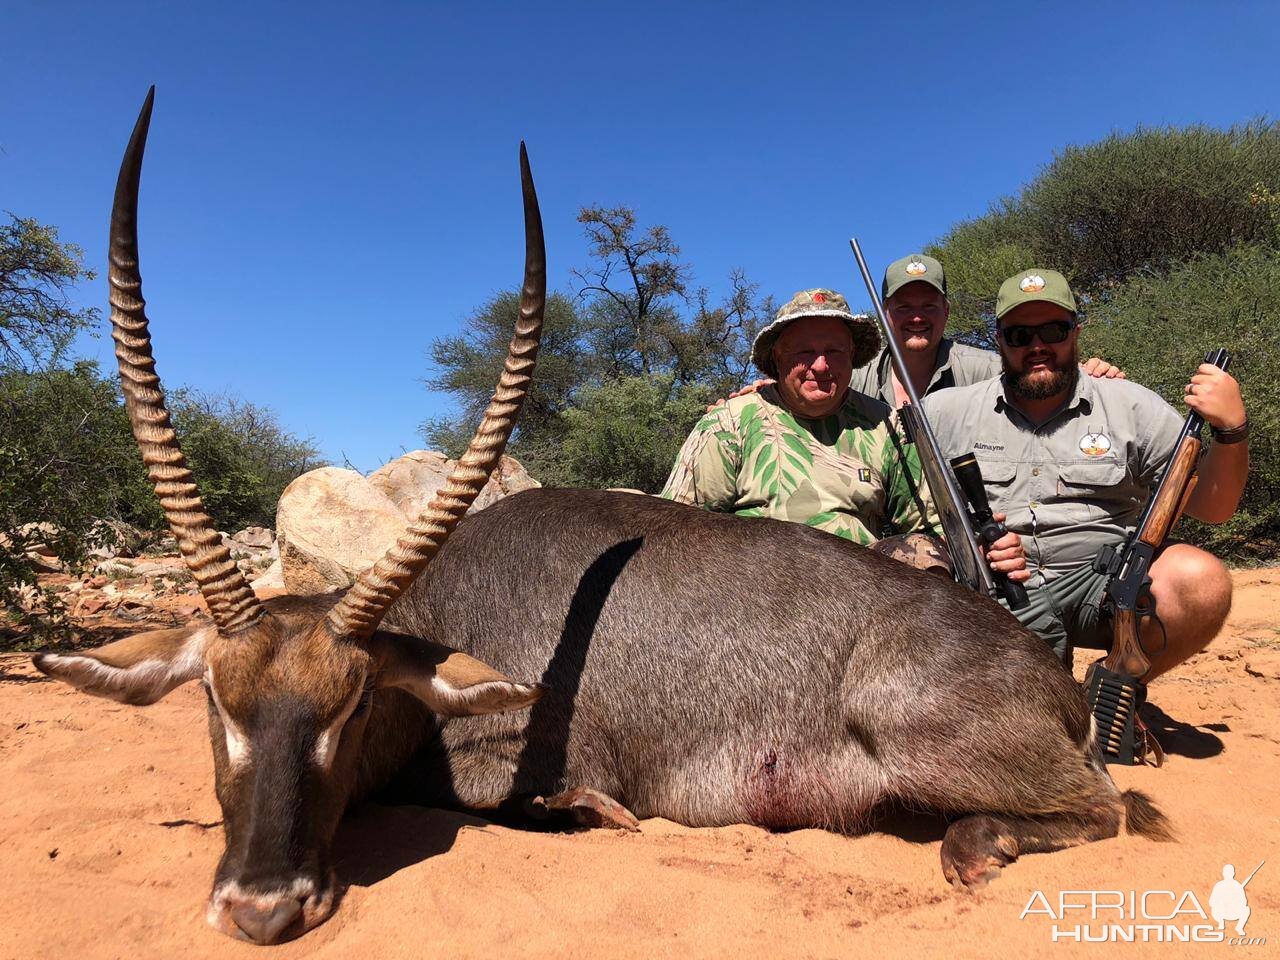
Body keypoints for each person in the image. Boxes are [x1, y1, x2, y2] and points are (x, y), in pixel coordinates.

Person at [921, 269, 1248, 680]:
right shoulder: (943, 411)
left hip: (1104, 589)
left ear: (1075, 332)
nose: (1038, 346)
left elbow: (1212, 508)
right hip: (996, 594)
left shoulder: (1132, 406)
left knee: (1200, 579)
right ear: (1000, 340)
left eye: (1053, 330)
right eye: (1020, 335)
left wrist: (1231, 431)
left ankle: (1114, 688)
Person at [662, 288, 1027, 581]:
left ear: (852, 355)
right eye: (804, 352)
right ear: (777, 357)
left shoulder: (886, 424)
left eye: (834, 351)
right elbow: (676, 529)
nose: (820, 366)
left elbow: (930, 523)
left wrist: (978, 546)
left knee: (923, 553)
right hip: (754, 596)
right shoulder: (730, 422)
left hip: (858, 601)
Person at [855, 253, 1124, 407]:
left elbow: (1042, 378)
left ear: (946, 311)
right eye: (903, 307)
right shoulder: (854, 377)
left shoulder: (986, 369)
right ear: (884, 313)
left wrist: (1091, 373)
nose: (916, 317)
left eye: (928, 306)